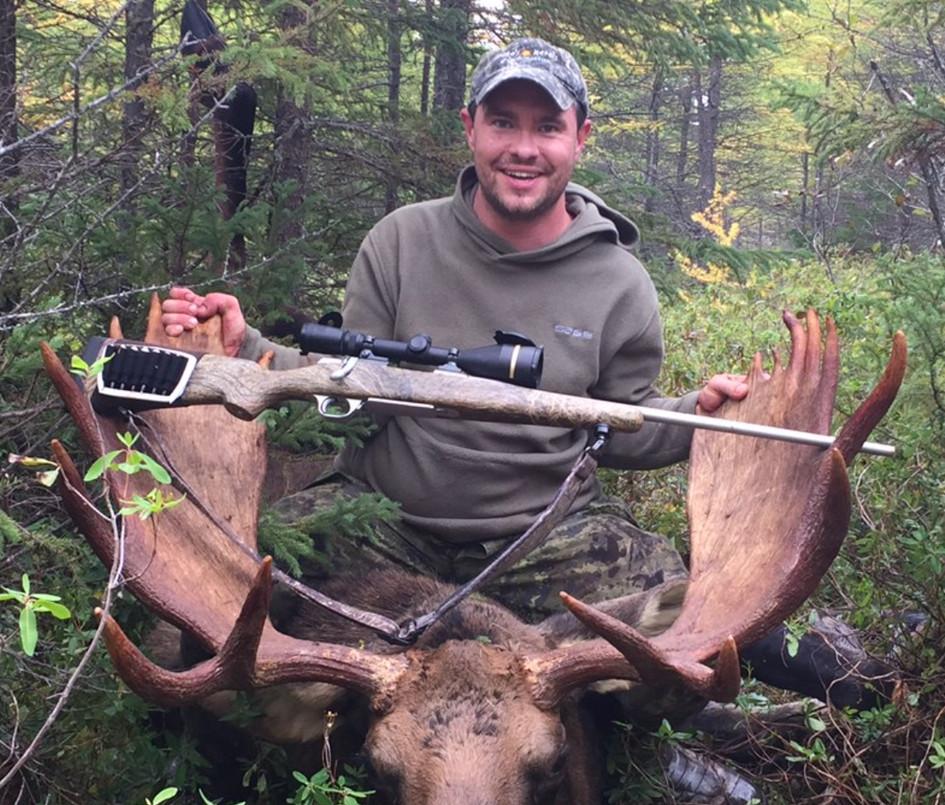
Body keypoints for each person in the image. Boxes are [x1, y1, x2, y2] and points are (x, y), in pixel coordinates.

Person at [161, 37, 753, 624]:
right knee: (228, 585)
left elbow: (620, 426)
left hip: (546, 539)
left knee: (674, 618)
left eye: (547, 126)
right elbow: (352, 387)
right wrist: (250, 349)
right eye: (502, 123)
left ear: (580, 138)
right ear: (470, 128)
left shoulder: (620, 282)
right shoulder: (400, 241)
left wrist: (696, 414)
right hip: (383, 521)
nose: (523, 149)